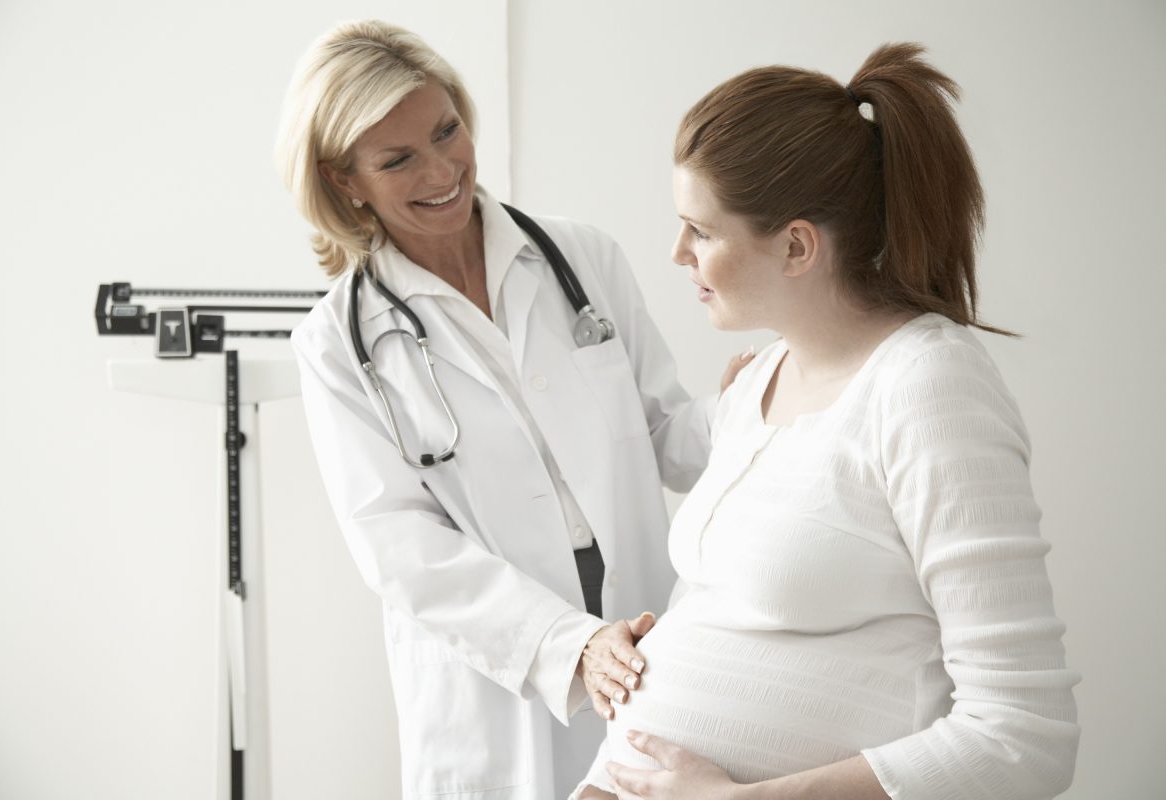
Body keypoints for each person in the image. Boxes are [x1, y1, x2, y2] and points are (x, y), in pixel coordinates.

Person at [574, 43, 1080, 800]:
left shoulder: (930, 390)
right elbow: (734, 609)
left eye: (702, 231)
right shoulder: (757, 381)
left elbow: (1023, 737)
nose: (677, 252)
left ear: (797, 245)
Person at [274, 20, 746, 800]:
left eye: (446, 130)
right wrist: (570, 645)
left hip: (648, 639)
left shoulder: (580, 258)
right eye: (398, 160)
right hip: (497, 683)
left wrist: (747, 405)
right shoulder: (336, 344)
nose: (443, 169)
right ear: (344, 179)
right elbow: (399, 547)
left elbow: (668, 435)